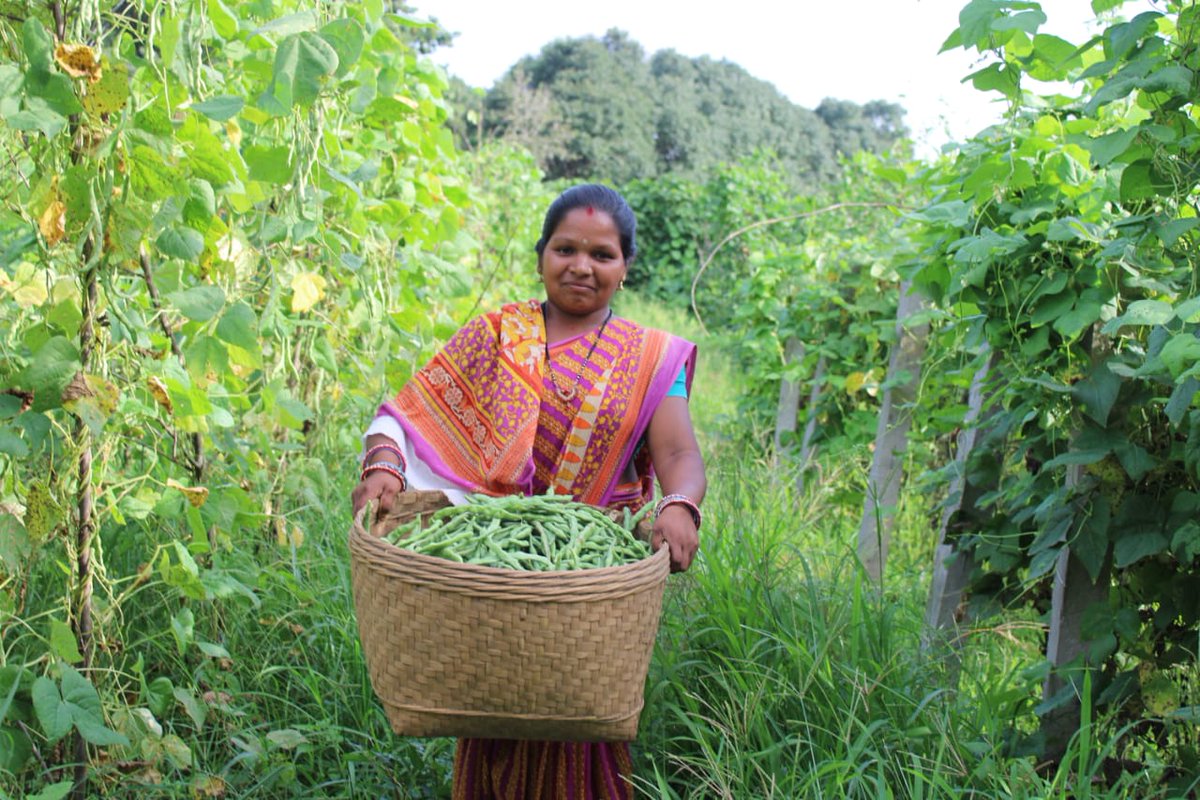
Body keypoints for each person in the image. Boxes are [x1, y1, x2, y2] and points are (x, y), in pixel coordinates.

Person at [350, 183, 706, 799]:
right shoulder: (496, 336)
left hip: (589, 583)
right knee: (494, 711)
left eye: (603, 254)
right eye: (565, 248)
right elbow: (409, 416)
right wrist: (384, 465)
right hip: (491, 575)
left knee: (578, 723)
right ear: (541, 254)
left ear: (625, 268)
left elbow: (677, 453)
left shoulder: (651, 359)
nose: (581, 267)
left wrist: (679, 506)